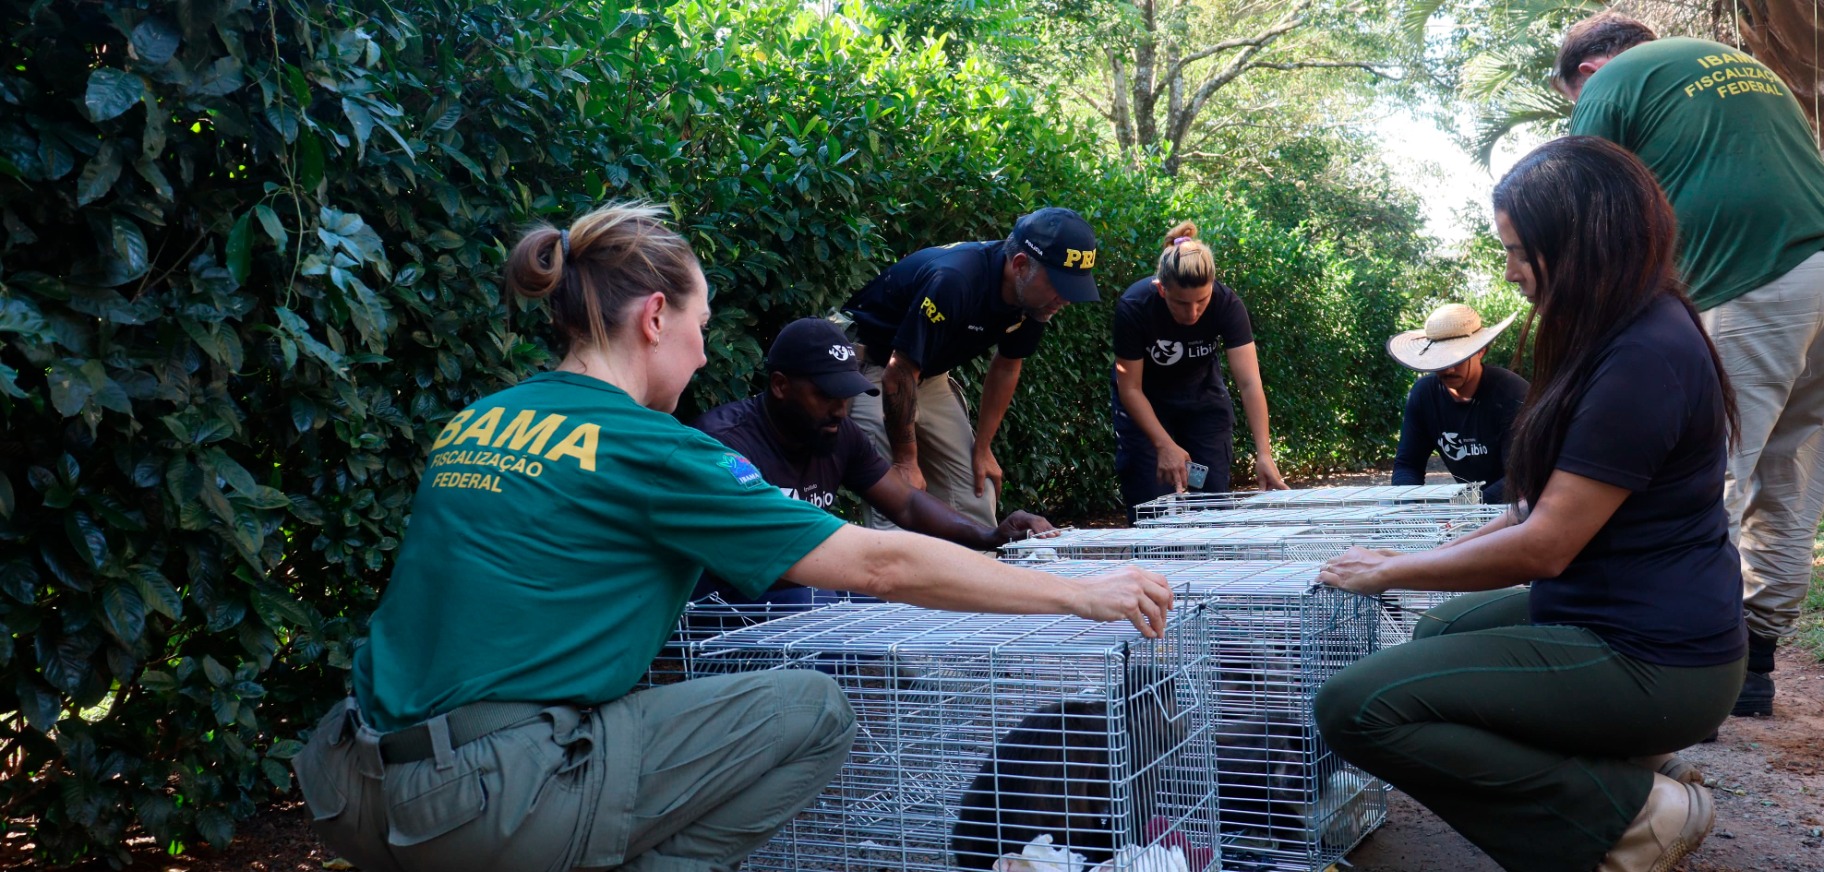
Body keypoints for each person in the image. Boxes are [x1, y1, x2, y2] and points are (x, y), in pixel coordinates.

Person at [292, 203, 1172, 872]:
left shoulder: (481, 419)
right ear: (653, 320)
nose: (708, 357)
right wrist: (1081, 595)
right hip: (475, 803)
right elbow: (879, 559)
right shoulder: (653, 448)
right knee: (813, 711)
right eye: (702, 327)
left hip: (350, 780)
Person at [1313, 138, 1745, 872]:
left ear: (1581, 242)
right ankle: (1635, 764)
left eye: (1519, 252)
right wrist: (1422, 559)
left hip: (1657, 658)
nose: (1511, 273)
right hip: (1615, 615)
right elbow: (1530, 509)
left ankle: (1633, 819)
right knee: (1442, 631)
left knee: (1354, 706)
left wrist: (1394, 574)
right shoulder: (1610, 331)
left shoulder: (1643, 355)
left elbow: (1545, 544)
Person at [1555, 12, 1824, 718]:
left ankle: (1685, 668)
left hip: (1750, 280)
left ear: (1587, 71)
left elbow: (1580, 210)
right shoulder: (1741, 69)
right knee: (1792, 475)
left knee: (1707, 477)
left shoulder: (1613, 82)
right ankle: (1756, 666)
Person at [691, 317, 1059, 608]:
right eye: (826, 395)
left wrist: (989, 535)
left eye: (847, 396)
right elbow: (756, 558)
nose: (840, 410)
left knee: (893, 602)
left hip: (813, 586)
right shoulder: (725, 445)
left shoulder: (838, 432)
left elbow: (908, 503)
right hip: (726, 605)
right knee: (818, 600)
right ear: (780, 385)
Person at [842, 207, 1100, 530]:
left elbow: (1007, 366)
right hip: (873, 367)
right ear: (1020, 265)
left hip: (925, 374)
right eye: (1061, 285)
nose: (1067, 299)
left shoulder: (1035, 301)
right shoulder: (956, 281)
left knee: (976, 493)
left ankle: (973, 575)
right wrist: (906, 460)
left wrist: (983, 446)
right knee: (896, 499)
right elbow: (899, 372)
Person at [1111, 221, 1286, 517]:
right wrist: (1164, 444)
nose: (1192, 313)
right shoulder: (1135, 306)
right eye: (1181, 303)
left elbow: (1249, 383)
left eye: (1201, 301)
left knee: (1210, 501)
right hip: (1147, 408)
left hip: (1203, 405)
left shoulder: (1227, 304)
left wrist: (1264, 453)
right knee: (1154, 506)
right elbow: (1130, 387)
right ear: (1161, 289)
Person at [1386, 303, 1528, 502]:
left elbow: (1520, 479)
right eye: (1439, 359)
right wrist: (1409, 506)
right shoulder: (1424, 395)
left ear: (1481, 352)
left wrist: (1463, 510)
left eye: (1457, 358)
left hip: (1523, 507)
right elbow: (1408, 465)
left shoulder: (1512, 394)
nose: (1448, 369)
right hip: (1473, 506)